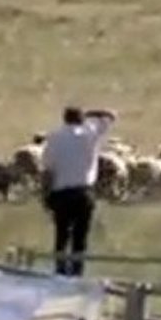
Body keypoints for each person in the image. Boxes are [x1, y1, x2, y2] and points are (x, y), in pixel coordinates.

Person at [40, 106, 117, 277]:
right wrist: (91, 113)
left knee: (62, 233)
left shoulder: (54, 138)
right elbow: (111, 115)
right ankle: (76, 273)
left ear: (64, 118)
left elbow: (47, 169)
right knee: (80, 236)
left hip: (62, 193)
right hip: (84, 193)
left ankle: (60, 271)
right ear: (81, 119)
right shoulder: (90, 133)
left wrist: (45, 194)